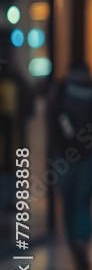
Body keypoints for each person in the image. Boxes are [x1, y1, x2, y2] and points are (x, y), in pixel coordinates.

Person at [47, 61, 92, 270]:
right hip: (88, 154)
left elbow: (50, 119)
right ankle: (82, 240)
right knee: (83, 202)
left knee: (67, 202)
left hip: (61, 155)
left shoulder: (61, 88)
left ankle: (74, 244)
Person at [0, 49, 34, 218]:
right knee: (12, 169)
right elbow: (29, 108)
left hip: (11, 135)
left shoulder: (17, 81)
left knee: (10, 169)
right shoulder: (19, 80)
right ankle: (10, 201)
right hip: (14, 135)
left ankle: (8, 201)